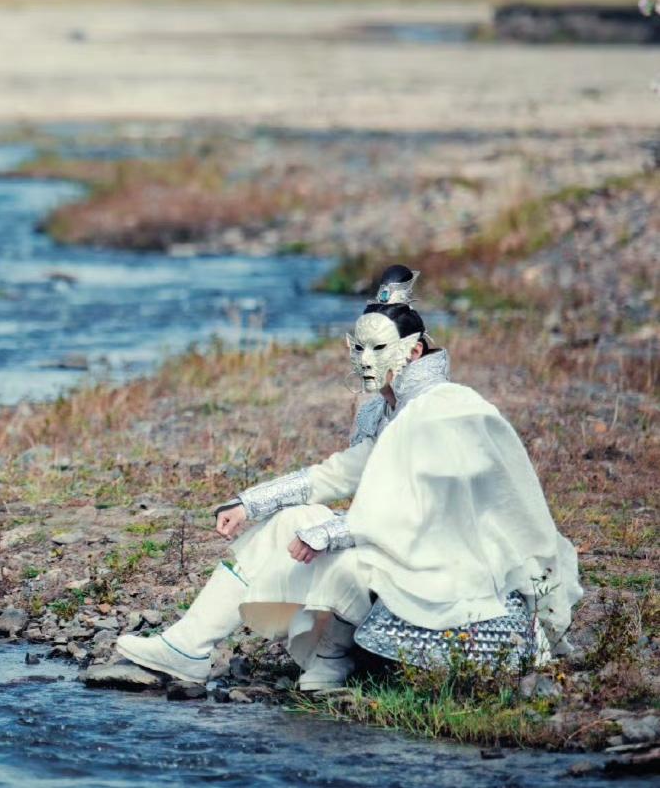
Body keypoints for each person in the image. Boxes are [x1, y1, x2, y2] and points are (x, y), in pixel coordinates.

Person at [114, 264, 581, 691]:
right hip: (403, 542)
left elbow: (429, 511)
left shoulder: (446, 409)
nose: (363, 360)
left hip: (462, 563)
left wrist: (334, 532)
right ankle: (188, 646)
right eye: (358, 347)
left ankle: (333, 659)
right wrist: (250, 503)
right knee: (285, 521)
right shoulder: (385, 410)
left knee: (350, 558)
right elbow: (342, 473)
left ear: (414, 349)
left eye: (378, 348)